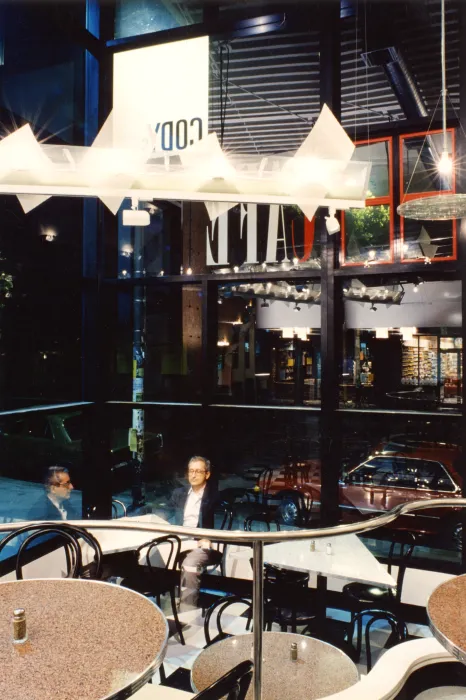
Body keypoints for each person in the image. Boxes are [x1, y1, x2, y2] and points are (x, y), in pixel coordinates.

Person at [168, 456, 218, 611]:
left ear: (207, 474)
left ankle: (186, 611)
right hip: (179, 539)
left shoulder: (214, 496)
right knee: (150, 551)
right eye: (191, 471)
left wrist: (207, 538)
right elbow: (168, 515)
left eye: (198, 471)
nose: (194, 475)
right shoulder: (179, 493)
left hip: (202, 543)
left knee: (189, 564)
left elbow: (219, 524)